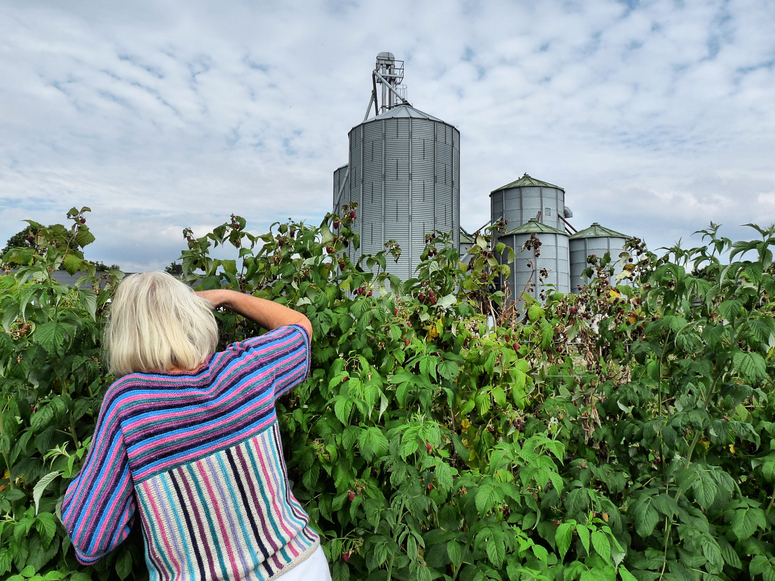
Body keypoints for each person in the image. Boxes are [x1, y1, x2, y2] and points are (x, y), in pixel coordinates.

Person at [62, 272, 331, 581]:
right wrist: (229, 296)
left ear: (124, 333)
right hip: (302, 566)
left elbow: (90, 536)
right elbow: (300, 329)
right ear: (192, 316)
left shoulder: (129, 403)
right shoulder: (244, 367)